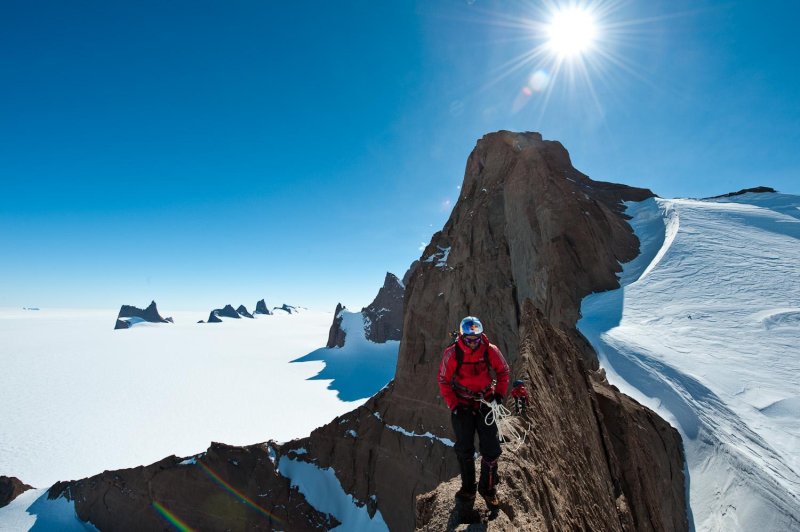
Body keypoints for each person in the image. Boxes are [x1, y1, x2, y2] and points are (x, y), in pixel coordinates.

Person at [438, 316, 510, 507]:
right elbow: (444, 381)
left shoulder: (490, 350)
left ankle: (487, 489)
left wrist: (499, 395)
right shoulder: (452, 353)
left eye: (476, 338)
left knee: (492, 450)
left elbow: (503, 372)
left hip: (485, 403)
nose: (473, 343)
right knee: (464, 450)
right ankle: (468, 489)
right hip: (462, 405)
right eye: (469, 339)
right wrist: (454, 406)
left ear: (480, 335)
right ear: (462, 336)